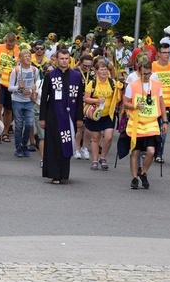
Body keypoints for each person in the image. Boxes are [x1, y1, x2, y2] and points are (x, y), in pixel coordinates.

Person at [39, 49, 85, 184]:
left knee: (66, 144)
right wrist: (42, 117)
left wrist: (79, 118)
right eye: (61, 58)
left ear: (69, 59)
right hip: (53, 116)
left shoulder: (76, 76)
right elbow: (44, 99)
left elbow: (79, 100)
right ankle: (54, 174)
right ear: (56, 60)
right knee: (54, 145)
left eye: (66, 58)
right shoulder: (50, 76)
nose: (64, 61)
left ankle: (64, 173)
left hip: (70, 117)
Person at [123, 61, 167, 189]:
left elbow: (162, 103)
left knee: (151, 151)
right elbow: (125, 103)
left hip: (152, 122)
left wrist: (165, 121)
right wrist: (135, 106)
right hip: (136, 121)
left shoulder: (157, 85)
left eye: (149, 74)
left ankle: (143, 172)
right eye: (144, 74)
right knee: (135, 151)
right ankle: (134, 178)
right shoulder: (132, 85)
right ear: (139, 72)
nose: (146, 76)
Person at [82, 58, 121, 171]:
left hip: (108, 114)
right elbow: (86, 98)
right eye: (101, 70)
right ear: (96, 71)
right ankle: (95, 160)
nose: (104, 72)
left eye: (105, 70)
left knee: (108, 137)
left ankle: (102, 157)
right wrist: (97, 101)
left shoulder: (112, 83)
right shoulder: (92, 83)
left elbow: (118, 97)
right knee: (95, 137)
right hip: (95, 114)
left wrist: (120, 89)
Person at [8, 49, 39, 158]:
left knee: (29, 124)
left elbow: (37, 85)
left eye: (29, 56)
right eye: (25, 56)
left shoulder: (35, 70)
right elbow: (9, 87)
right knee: (19, 125)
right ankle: (18, 148)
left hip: (29, 101)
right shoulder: (16, 71)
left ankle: (24, 144)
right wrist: (18, 87)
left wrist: (31, 91)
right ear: (20, 58)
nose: (28, 58)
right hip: (17, 101)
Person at [152, 42, 170, 163]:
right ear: (158, 54)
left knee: (163, 129)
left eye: (169, 52)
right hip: (153, 103)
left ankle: (159, 154)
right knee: (153, 129)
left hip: (167, 103)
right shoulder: (152, 67)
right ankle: (148, 149)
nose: (167, 55)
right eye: (164, 52)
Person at [0, 32, 20, 144]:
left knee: (9, 110)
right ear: (5, 42)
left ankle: (5, 132)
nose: (10, 47)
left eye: (12, 45)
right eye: (9, 45)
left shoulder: (18, 49)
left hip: (11, 84)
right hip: (0, 83)